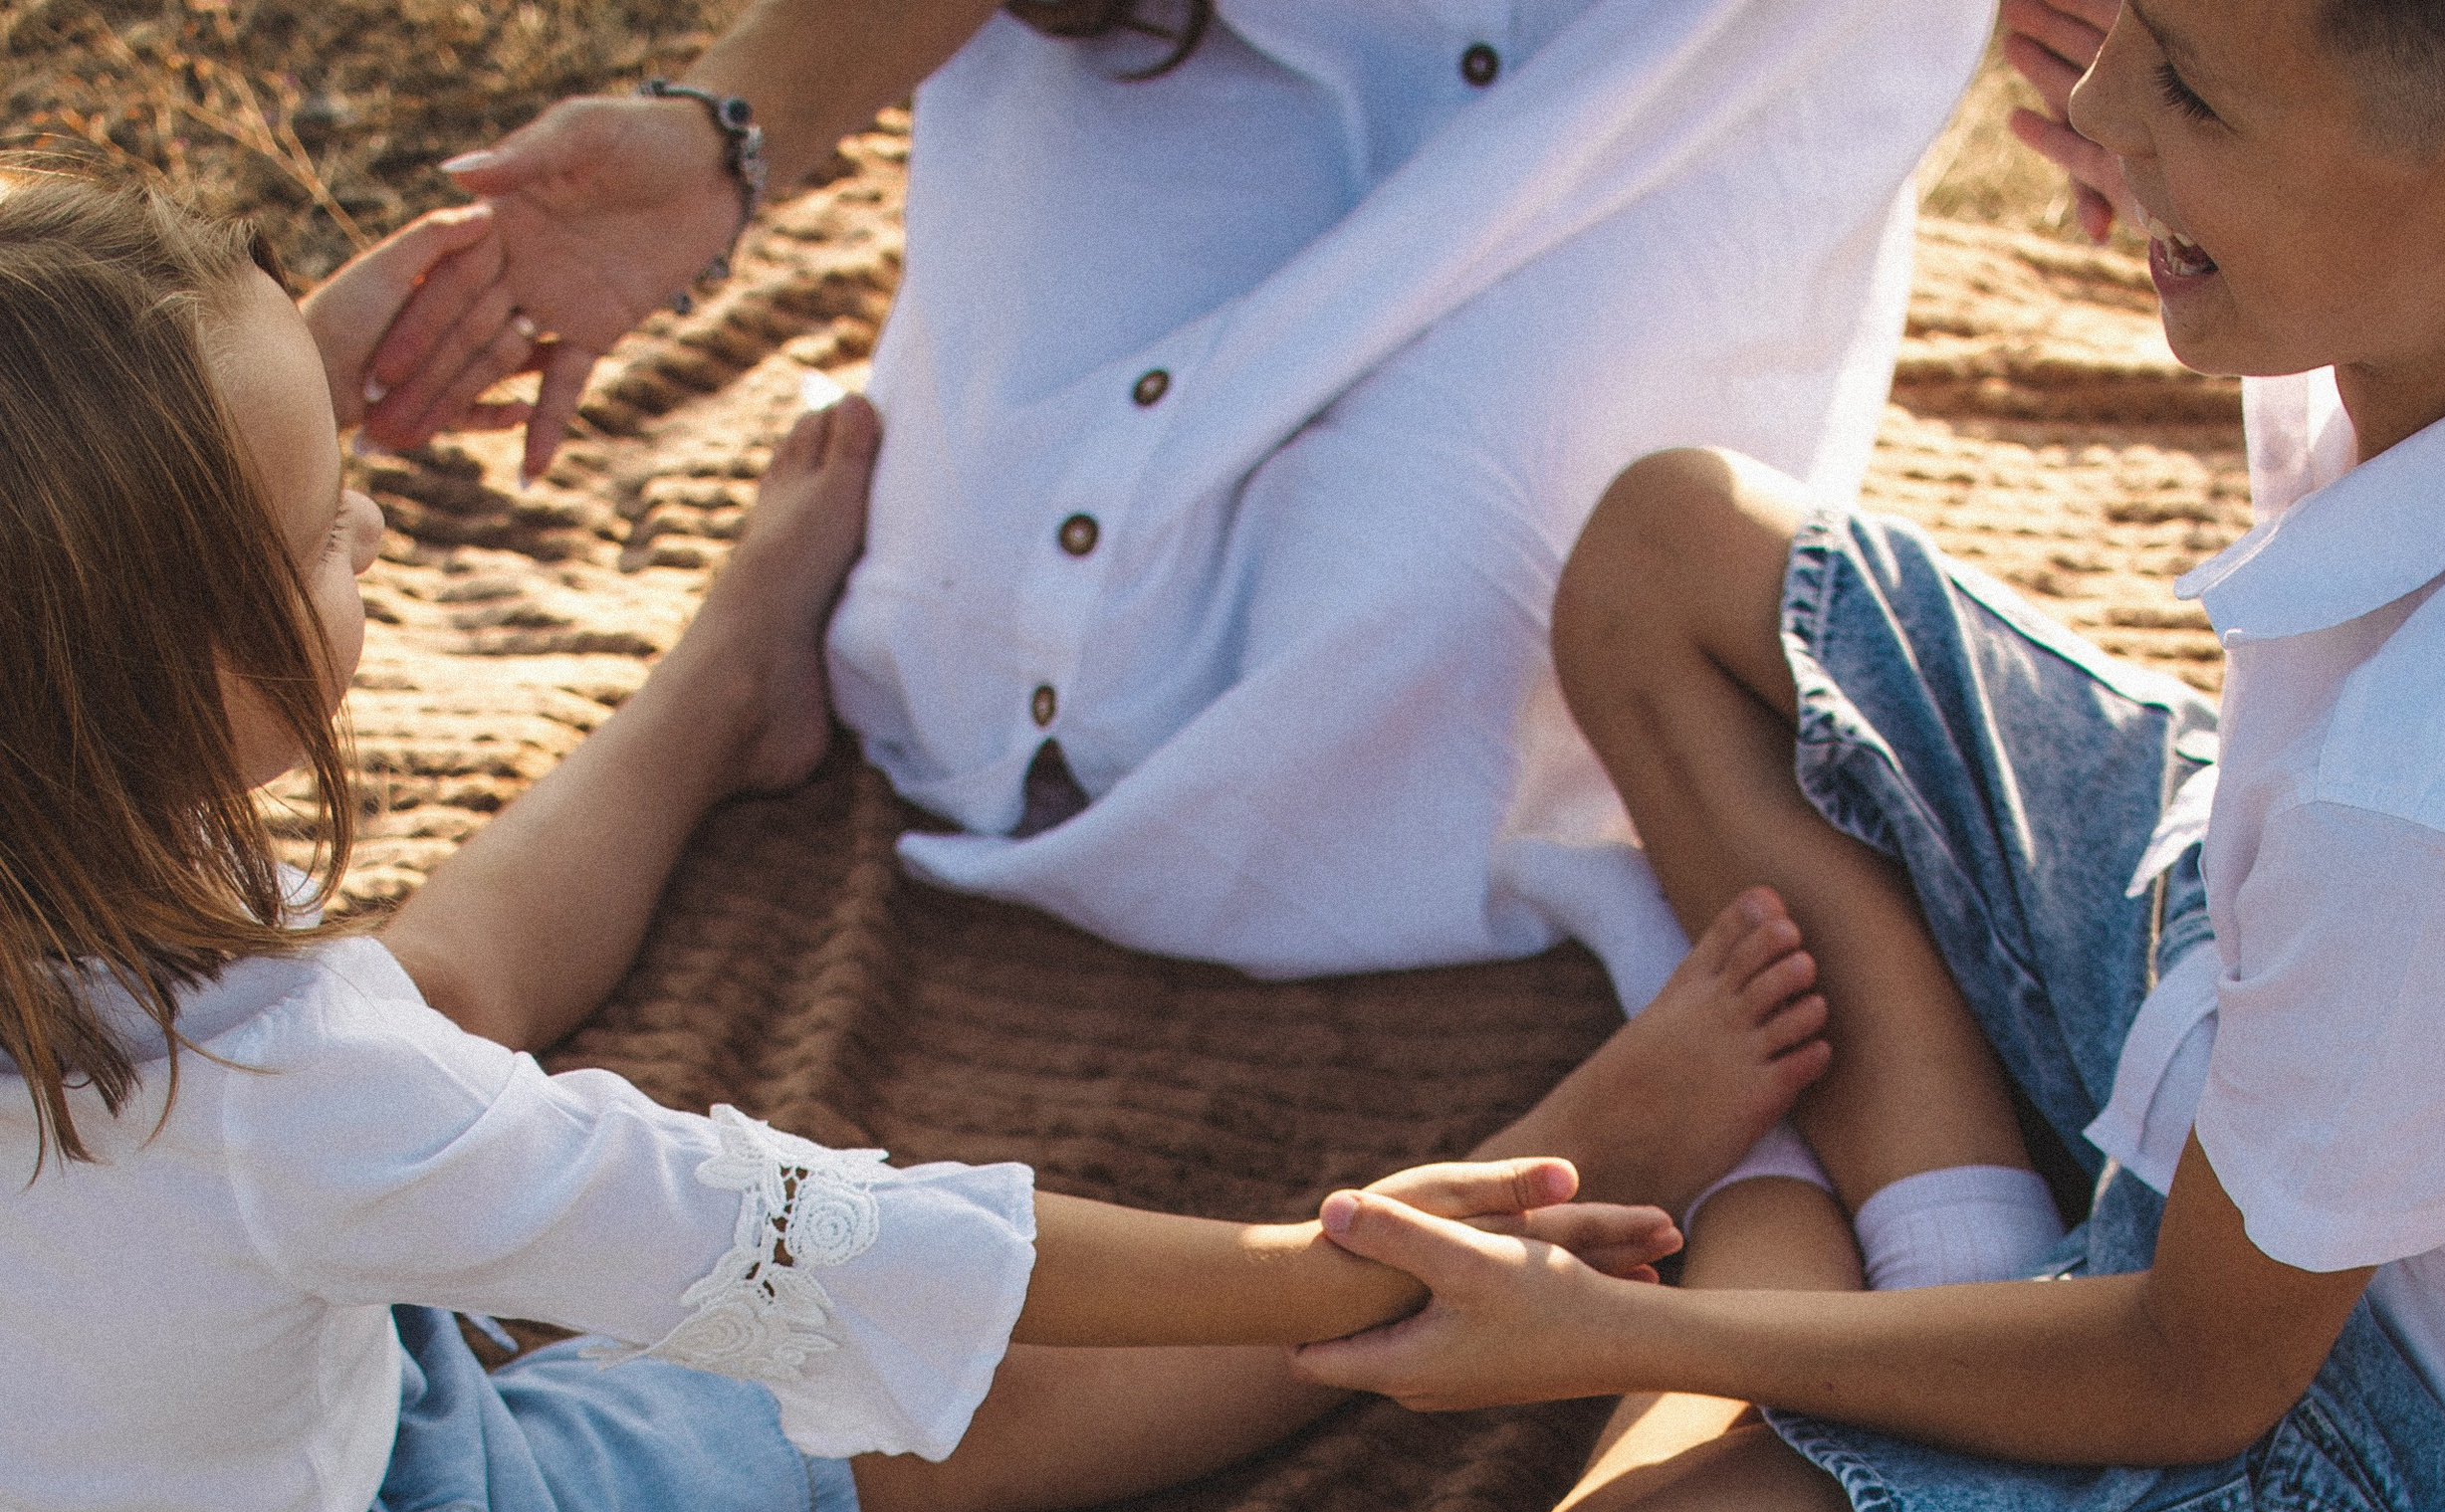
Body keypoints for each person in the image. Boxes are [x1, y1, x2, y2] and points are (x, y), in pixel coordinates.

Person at [0, 165, 1858, 1512]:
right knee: (931, 1402)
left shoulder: (67, 801)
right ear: (156, 638)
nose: (379, 524)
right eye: (328, 525)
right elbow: (799, 1248)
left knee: (440, 996)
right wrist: (1296, 1265)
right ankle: (1460, 1229)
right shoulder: (272, 1078)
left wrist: (204, 406)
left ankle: (726, 691)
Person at [1291, 0, 2445, 1512]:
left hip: (2377, 1364)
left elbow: (2197, 1366)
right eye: (2135, 27)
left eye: (2186, 85)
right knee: (1672, 546)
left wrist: (1644, 1332)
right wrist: (2199, 208)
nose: (2102, 98)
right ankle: (1961, 1234)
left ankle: (1840, 1215)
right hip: (2267, 936)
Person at [349, 0, 1996, 1017]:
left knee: (1422, 648)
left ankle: (728, 678)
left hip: (1659, 75)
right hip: (1216, 25)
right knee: (977, 625)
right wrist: (728, 134)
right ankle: (731, 672)